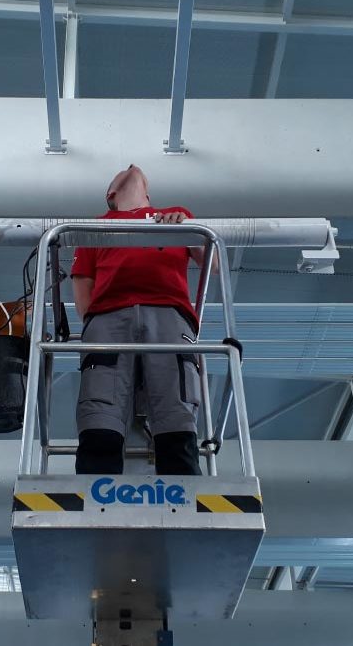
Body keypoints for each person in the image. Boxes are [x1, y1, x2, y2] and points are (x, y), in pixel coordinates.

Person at [71, 164, 214, 476]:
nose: (131, 167)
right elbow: (82, 279)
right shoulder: (98, 225)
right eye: (121, 173)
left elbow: (210, 264)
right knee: (101, 401)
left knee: (174, 397)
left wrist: (186, 231)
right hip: (109, 316)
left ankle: (183, 479)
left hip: (168, 313)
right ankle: (96, 477)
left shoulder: (176, 215)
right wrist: (93, 323)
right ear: (111, 195)